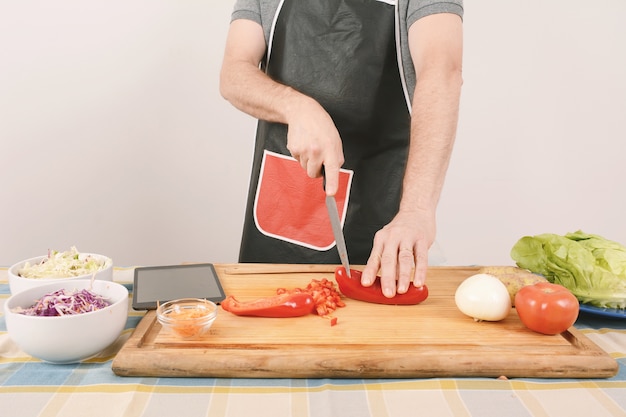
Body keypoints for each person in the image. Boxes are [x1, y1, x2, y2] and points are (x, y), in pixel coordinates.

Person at [220, 0, 463, 298]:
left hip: (380, 215)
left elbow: (441, 72)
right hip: (283, 204)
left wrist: (416, 211)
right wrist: (295, 106)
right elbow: (234, 72)